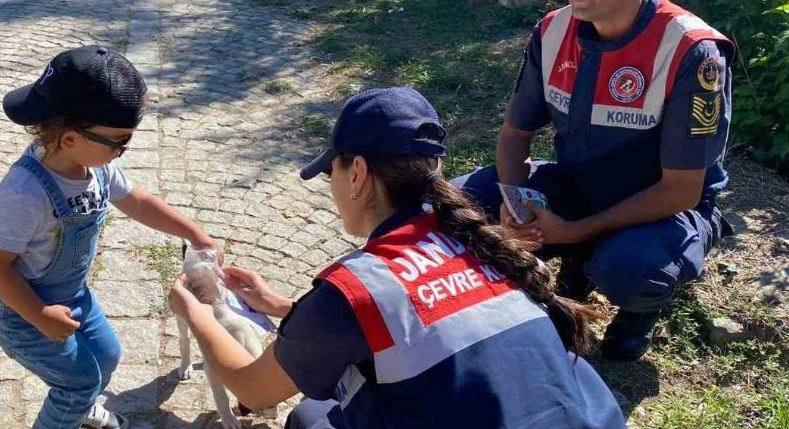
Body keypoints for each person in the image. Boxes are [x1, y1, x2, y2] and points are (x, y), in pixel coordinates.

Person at [169, 87, 625, 429]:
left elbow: (252, 386)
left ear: (359, 174)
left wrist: (198, 310)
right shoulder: (484, 242)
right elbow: (422, 321)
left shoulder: (358, 288)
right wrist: (287, 309)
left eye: (333, 169)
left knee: (310, 417)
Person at [452, 0, 735, 361]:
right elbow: (514, 133)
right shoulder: (554, 29)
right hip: (577, 184)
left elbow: (681, 190)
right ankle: (576, 261)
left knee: (628, 268)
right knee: (461, 203)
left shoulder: (692, 52)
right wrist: (514, 203)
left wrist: (574, 229)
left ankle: (636, 310)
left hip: (661, 209)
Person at [0, 45, 219, 429]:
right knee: (77, 383)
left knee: (106, 356)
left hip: (73, 296)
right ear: (71, 139)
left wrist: (194, 233)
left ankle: (81, 409)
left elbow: (137, 201)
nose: (123, 151)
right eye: (120, 142)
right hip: (20, 310)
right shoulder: (25, 192)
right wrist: (39, 315)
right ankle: (72, 407)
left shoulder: (95, 168)